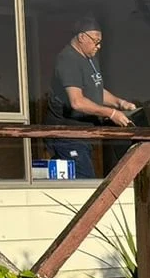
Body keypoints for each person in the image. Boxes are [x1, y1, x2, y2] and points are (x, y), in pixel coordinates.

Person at [45, 17, 141, 175]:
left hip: (84, 135)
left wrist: (119, 103)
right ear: (82, 37)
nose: (99, 46)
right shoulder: (68, 60)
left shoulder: (90, 59)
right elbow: (77, 102)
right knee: (85, 182)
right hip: (67, 136)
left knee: (89, 180)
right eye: (96, 41)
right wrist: (111, 113)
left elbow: (96, 90)